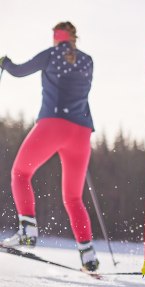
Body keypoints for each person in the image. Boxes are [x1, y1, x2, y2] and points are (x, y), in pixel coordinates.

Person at [0, 22, 99, 272]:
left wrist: (5, 63)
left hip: (53, 125)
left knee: (20, 174)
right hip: (82, 132)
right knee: (74, 198)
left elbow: (20, 71)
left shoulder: (51, 54)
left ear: (57, 37)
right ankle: (88, 255)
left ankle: (28, 231)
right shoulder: (88, 61)